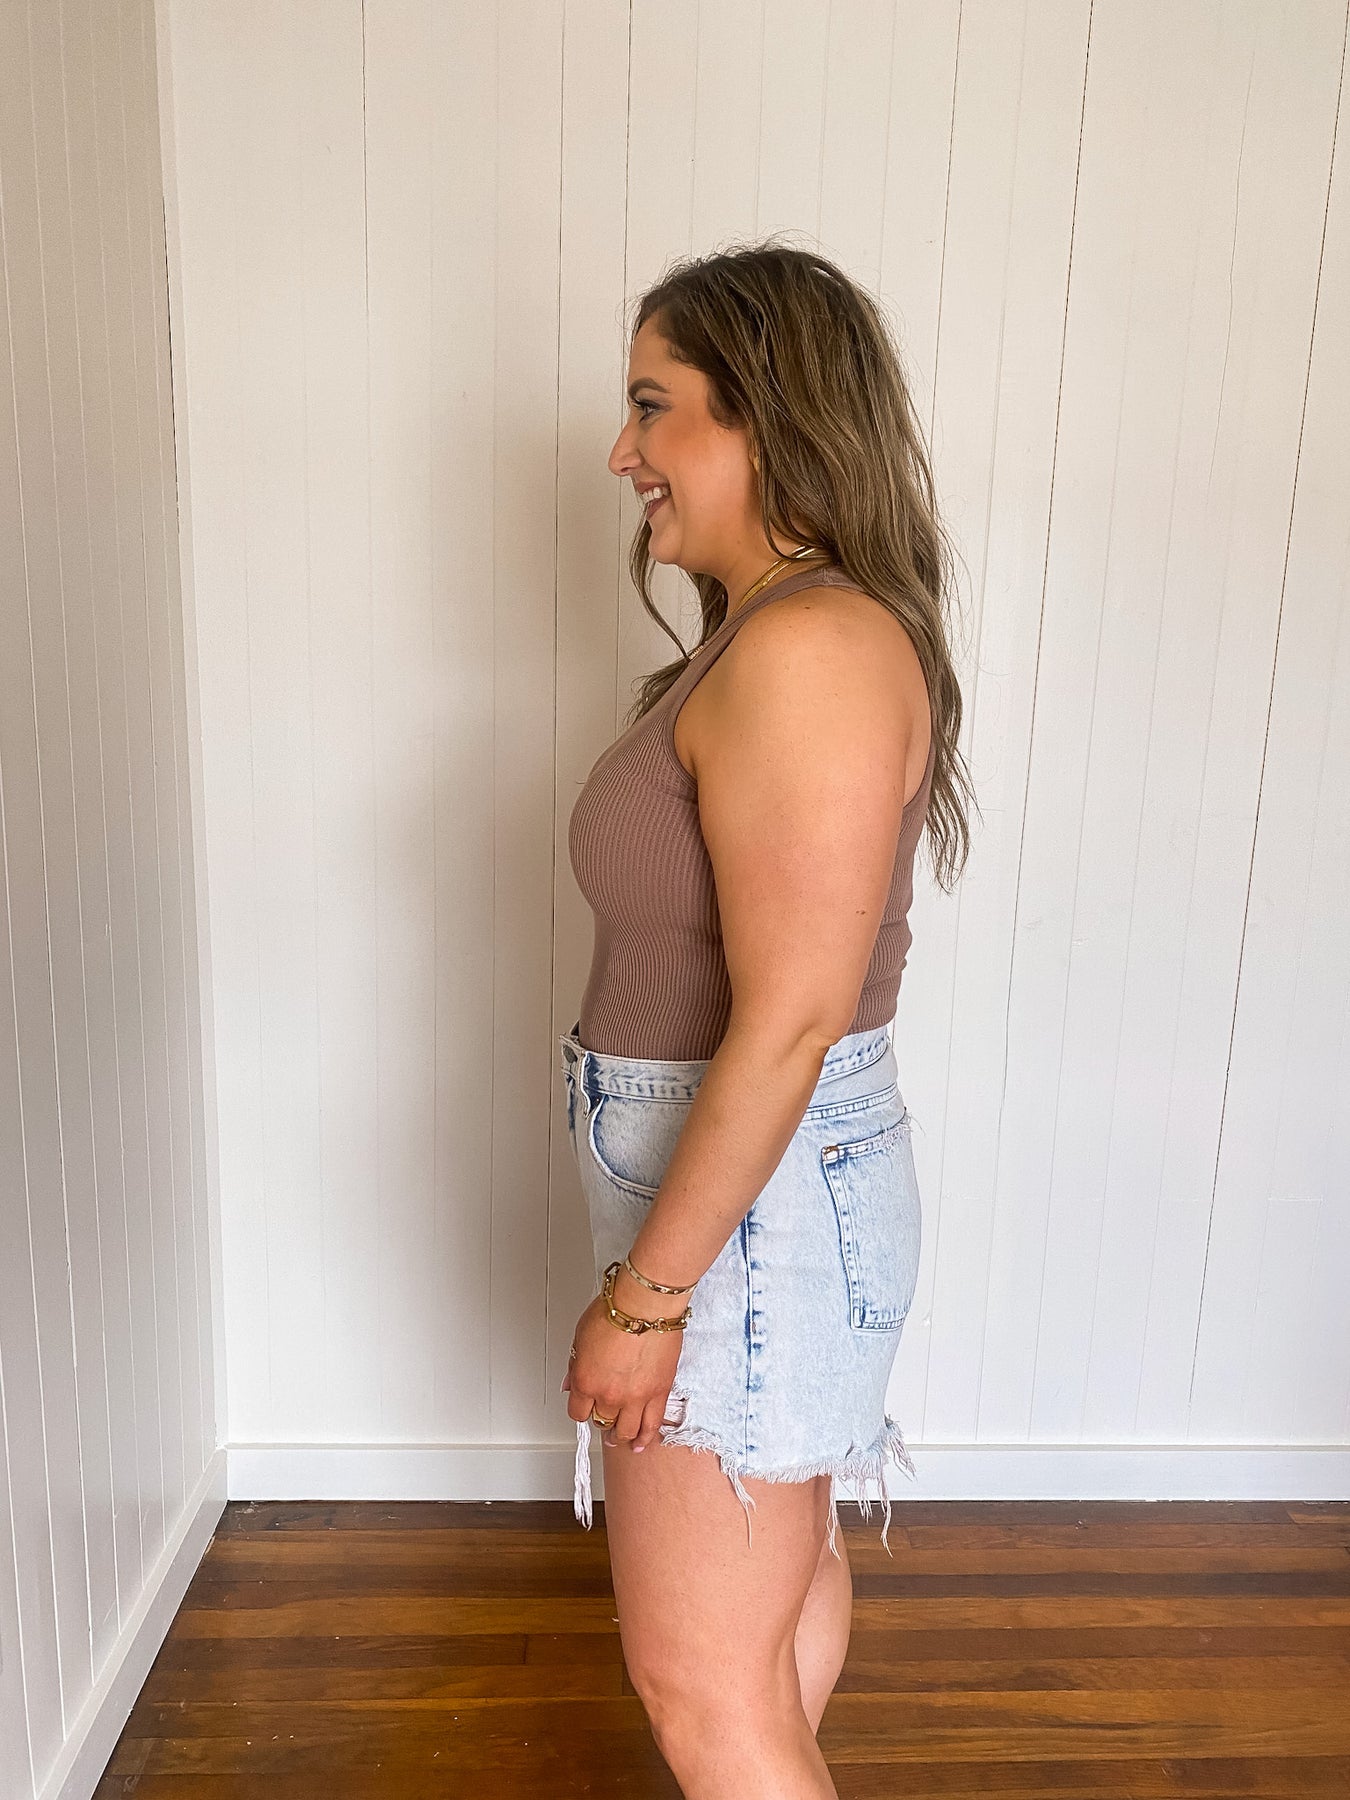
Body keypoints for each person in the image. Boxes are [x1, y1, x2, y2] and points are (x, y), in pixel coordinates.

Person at [559, 242, 974, 1799]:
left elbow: (791, 1020)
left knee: (702, 1692)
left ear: (765, 415)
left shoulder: (807, 650)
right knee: (763, 1625)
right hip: (759, 1192)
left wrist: (647, 1300)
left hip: (751, 1207)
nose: (624, 454)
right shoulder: (779, 633)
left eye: (651, 406)